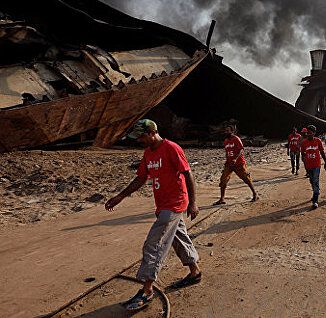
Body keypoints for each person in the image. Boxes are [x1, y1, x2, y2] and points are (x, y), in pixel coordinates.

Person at [104, 119, 201, 311]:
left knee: (155, 243)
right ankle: (195, 272)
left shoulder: (172, 148)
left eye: (141, 136)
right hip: (162, 204)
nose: (139, 140)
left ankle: (147, 289)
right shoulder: (148, 154)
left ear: (151, 132)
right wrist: (120, 196)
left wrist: (193, 202)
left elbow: (188, 173)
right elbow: (141, 177)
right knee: (178, 237)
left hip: (175, 203)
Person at [214, 125, 258, 205]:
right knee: (223, 179)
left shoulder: (236, 139)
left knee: (246, 178)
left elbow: (241, 149)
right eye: (225, 131)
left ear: (232, 131)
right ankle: (222, 199)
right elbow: (227, 152)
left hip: (239, 163)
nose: (226, 132)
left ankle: (255, 194)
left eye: (228, 131)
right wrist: (227, 161)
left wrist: (235, 159)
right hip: (229, 164)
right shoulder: (226, 141)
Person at [300, 125, 326, 208]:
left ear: (314, 133)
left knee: (316, 180)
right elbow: (302, 153)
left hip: (316, 164)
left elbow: (322, 152)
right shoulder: (304, 142)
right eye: (307, 133)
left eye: (310, 133)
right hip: (308, 165)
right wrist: (304, 161)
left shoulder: (318, 141)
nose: (308, 135)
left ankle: (315, 200)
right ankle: (315, 191)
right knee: (312, 181)